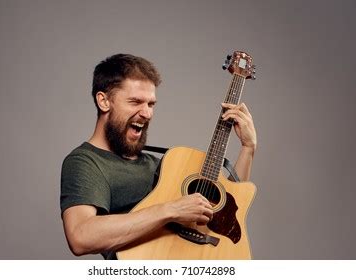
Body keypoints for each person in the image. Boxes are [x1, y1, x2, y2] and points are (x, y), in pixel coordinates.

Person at [60, 53, 257, 259]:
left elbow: (229, 207)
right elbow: (81, 236)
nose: (146, 113)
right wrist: (170, 210)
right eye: (135, 102)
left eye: (151, 104)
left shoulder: (166, 165)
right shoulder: (86, 162)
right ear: (104, 101)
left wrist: (247, 147)